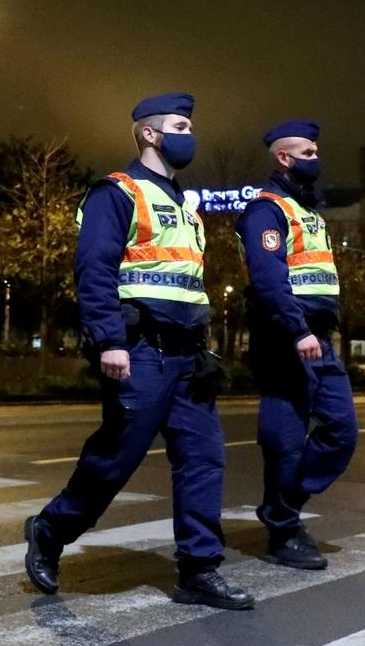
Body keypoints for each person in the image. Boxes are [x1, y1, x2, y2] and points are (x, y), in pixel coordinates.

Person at [24, 92, 254, 610]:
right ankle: (50, 529)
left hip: (188, 358)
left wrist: (206, 347)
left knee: (203, 459)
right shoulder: (116, 193)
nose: (189, 134)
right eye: (179, 124)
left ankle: (199, 570)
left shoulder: (183, 207)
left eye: (190, 124)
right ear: (150, 134)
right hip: (139, 352)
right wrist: (109, 340)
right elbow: (95, 270)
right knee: (115, 460)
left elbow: (189, 287)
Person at [235, 119, 359, 569]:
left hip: (318, 339)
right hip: (286, 339)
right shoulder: (266, 210)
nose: (316, 159)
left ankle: (280, 507)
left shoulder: (309, 211)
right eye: (307, 153)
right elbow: (269, 280)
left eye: (316, 151)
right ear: (283, 157)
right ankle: (284, 530)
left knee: (341, 431)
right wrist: (297, 329)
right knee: (284, 440)